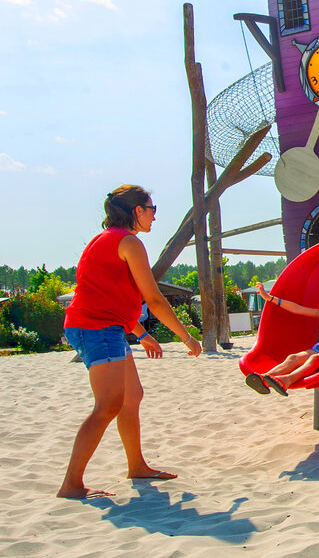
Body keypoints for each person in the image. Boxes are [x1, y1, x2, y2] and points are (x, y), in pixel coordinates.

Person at [58, 186, 202, 499]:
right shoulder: (129, 242)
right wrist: (186, 336)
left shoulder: (106, 239)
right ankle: (71, 484)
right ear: (137, 211)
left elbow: (111, 297)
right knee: (108, 405)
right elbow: (154, 299)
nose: (154, 215)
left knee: (131, 396)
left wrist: (142, 334)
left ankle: (136, 465)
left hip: (103, 326)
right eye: (152, 208)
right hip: (96, 328)